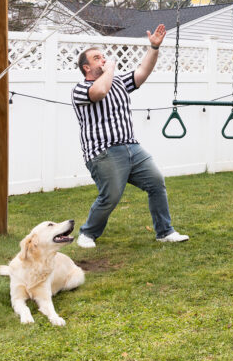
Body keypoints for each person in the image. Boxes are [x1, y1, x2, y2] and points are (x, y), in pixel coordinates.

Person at [71, 26, 189, 247]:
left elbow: (143, 71)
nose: (103, 60)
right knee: (111, 197)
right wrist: (111, 69)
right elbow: (99, 92)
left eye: (104, 57)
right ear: (86, 67)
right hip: (103, 153)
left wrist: (154, 47)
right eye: (97, 58)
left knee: (156, 183)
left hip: (133, 149)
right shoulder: (80, 89)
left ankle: (164, 231)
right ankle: (87, 233)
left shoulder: (118, 82)